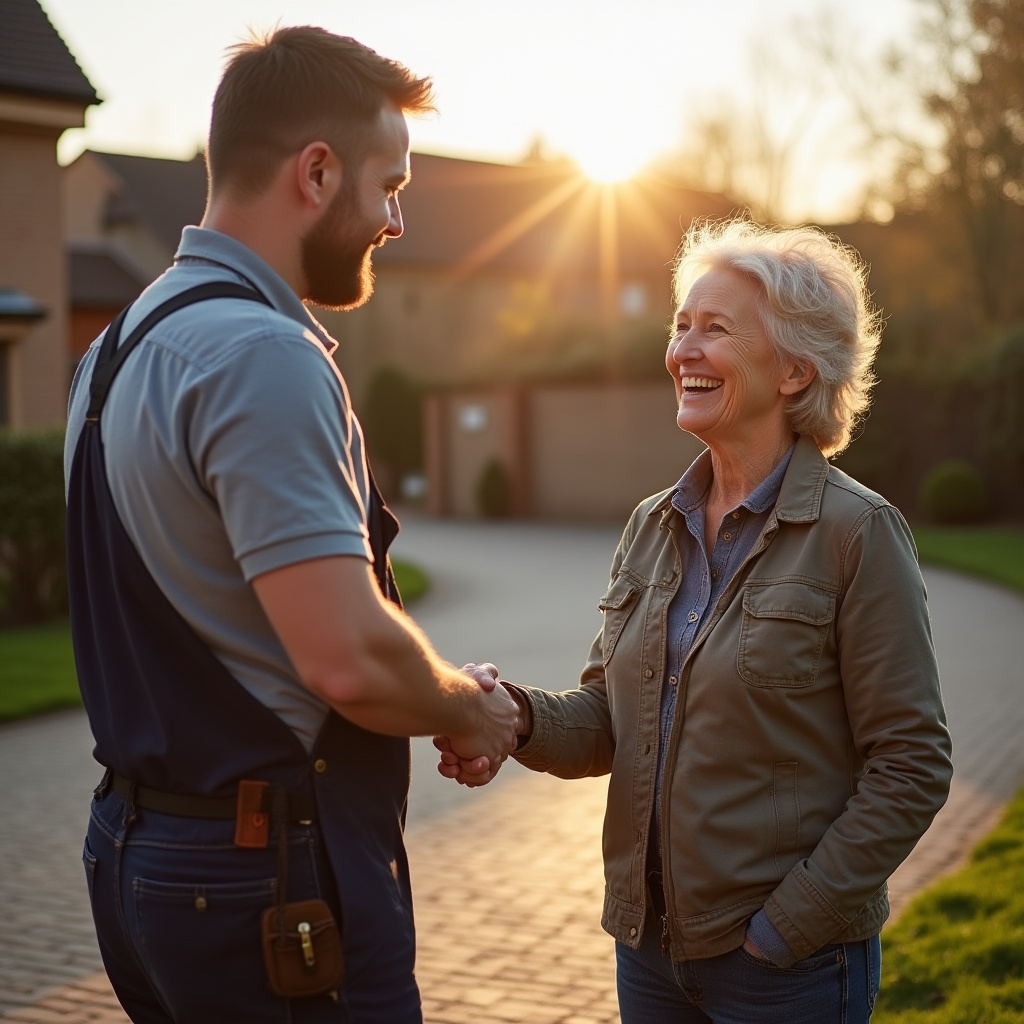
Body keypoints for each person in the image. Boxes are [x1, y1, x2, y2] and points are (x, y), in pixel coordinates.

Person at [64, 26, 518, 1024]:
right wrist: (466, 707)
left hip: (138, 862)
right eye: (388, 184)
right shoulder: (261, 356)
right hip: (266, 885)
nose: (397, 218)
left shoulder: (111, 352)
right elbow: (348, 656)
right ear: (316, 172)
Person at [437, 219, 953, 1023]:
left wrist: (786, 929)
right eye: (681, 325)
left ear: (793, 371)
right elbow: (610, 723)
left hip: (787, 970)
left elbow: (911, 764)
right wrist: (511, 717)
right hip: (647, 955)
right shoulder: (653, 524)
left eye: (715, 328)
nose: (684, 350)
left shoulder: (857, 534)